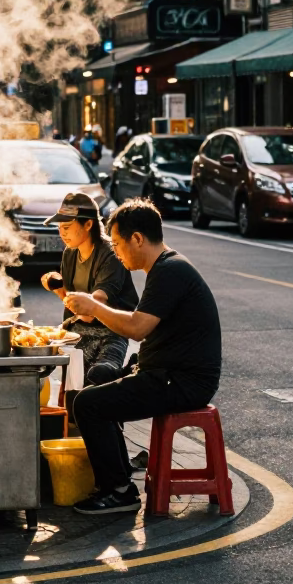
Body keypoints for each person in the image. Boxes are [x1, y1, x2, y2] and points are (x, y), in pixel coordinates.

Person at [65, 198, 221, 516]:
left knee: (87, 404)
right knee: (94, 382)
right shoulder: (164, 269)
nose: (118, 253)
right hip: (163, 371)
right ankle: (120, 477)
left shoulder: (170, 270)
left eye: (119, 244)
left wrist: (94, 307)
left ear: (138, 239)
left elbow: (137, 329)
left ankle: (120, 491)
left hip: (181, 381)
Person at [41, 193, 137, 406]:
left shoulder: (111, 253)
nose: (61, 233)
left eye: (66, 227)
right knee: (73, 400)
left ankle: (121, 379)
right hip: (78, 331)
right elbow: (71, 301)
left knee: (100, 377)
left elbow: (97, 303)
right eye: (60, 228)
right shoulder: (70, 253)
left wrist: (83, 307)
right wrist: (55, 284)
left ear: (88, 225)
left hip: (111, 332)